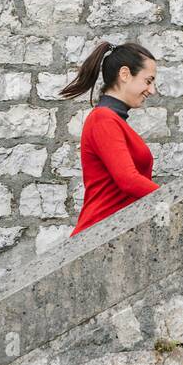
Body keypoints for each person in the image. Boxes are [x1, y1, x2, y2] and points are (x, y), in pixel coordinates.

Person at [58, 40, 161, 236]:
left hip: (112, 234)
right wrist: (173, 198)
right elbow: (128, 180)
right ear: (124, 74)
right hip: (98, 236)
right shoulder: (103, 119)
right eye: (148, 81)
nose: (152, 90)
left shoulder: (113, 121)